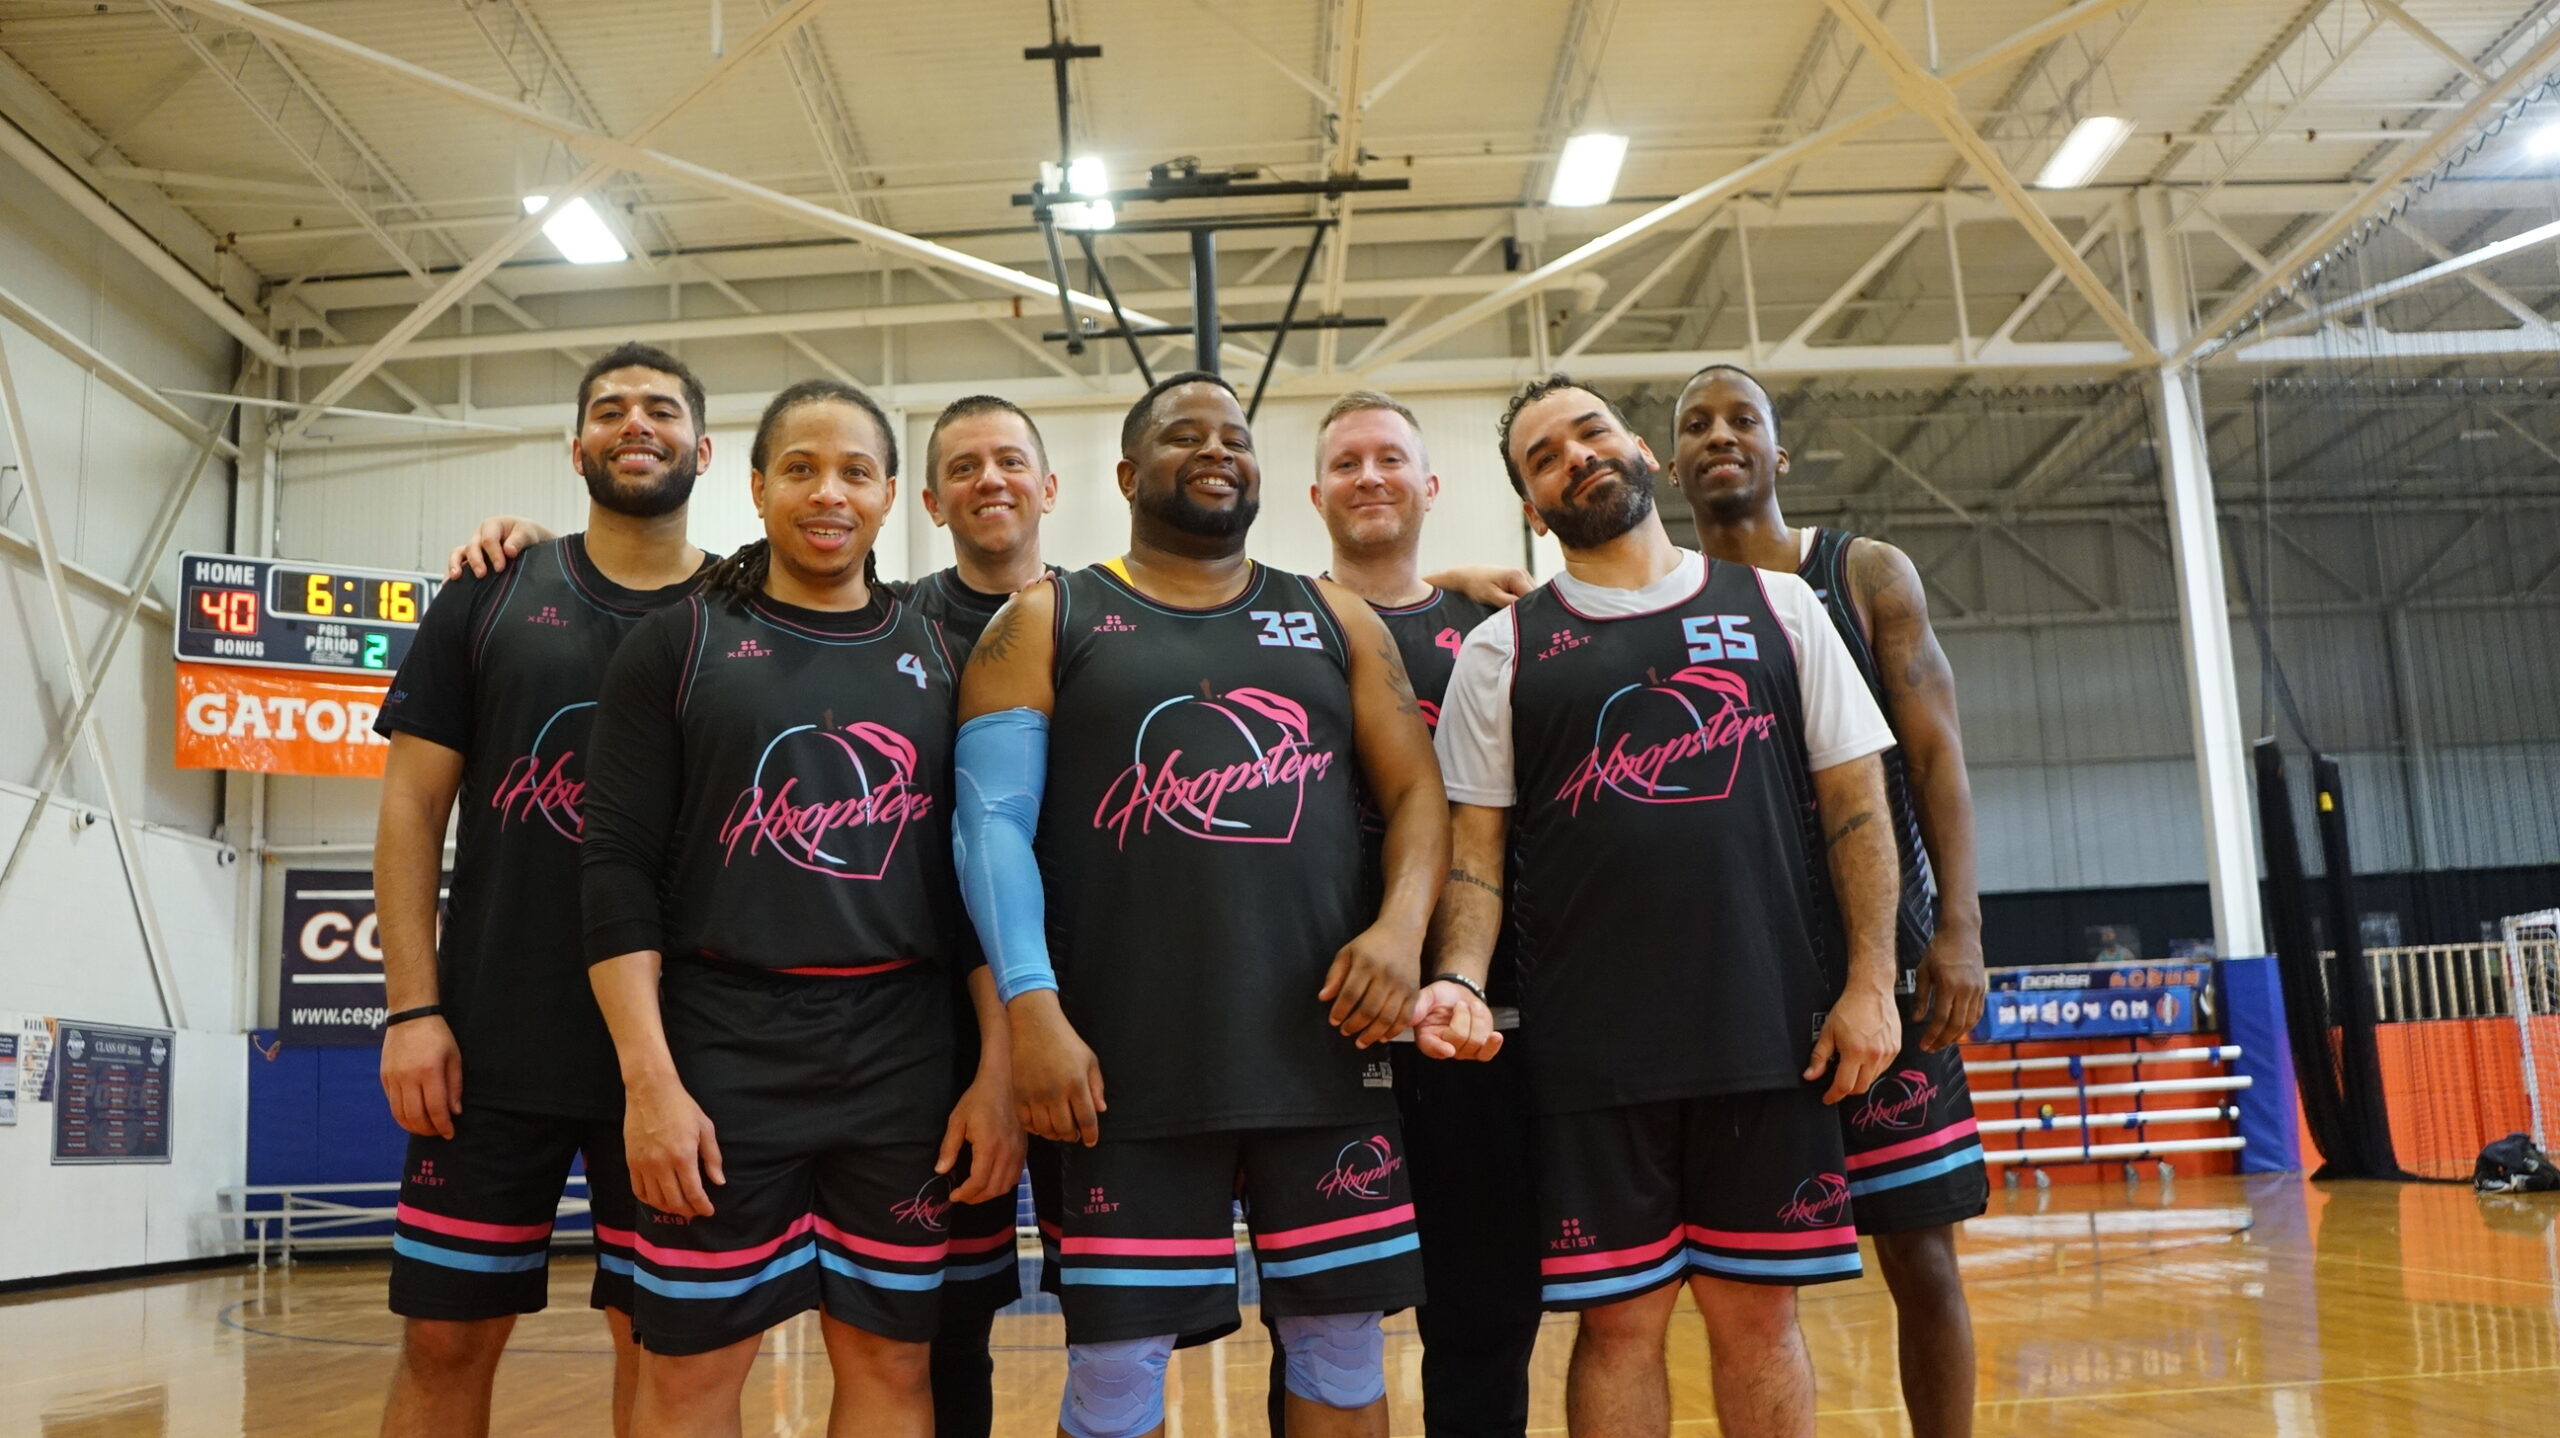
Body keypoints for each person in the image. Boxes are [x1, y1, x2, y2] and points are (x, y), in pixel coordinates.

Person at [951, 371, 1485, 1438]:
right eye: (1181, 435)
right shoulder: (1049, 615)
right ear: (1125, 474)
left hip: (1322, 1046)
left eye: (1234, 437)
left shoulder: (1332, 614)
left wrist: (1396, 931)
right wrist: (1031, 1004)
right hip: (1123, 1060)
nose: (1213, 451)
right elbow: (988, 827)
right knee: (1114, 1372)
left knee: (1340, 1351)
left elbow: (1421, 795)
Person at [1430, 375, 1903, 1438]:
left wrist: (1871, 982)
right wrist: (1459, 976)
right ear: (1530, 504)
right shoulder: (1500, 653)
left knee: (1758, 1320)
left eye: (1590, 433)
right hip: (1592, 1058)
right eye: (1543, 455)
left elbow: (1857, 808)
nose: (1575, 457)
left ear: (1639, 449)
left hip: (1767, 1033)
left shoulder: (1779, 607)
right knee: (1618, 1328)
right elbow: (1475, 859)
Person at [579, 379, 1019, 1437]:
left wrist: (996, 1073)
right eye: (803, 469)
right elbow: (614, 871)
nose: (829, 493)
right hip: (723, 1047)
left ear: (889, 496)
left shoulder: (942, 655)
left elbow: (977, 890)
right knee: (687, 1371)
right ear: (758, 487)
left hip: (902, 1054)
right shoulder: (676, 645)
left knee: (891, 1368)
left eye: (855, 471)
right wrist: (649, 1086)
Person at [370, 342, 715, 1438]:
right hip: (491, 1041)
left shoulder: (752, 608)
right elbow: (411, 812)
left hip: (684, 1055)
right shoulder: (495, 589)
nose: (635, 424)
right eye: (609, 410)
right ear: (577, 449)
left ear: (704, 450)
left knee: (664, 1347)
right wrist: (413, 1011)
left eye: (660, 409)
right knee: (444, 1336)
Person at [1671, 364, 1989, 1438]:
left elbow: (1938, 757)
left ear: (1777, 451)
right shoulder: (1662, 593)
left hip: (1884, 955)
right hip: (1738, 974)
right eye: (1696, 425)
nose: (1720, 435)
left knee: (1920, 1247)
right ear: (1671, 465)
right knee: (1750, 1279)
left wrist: (1958, 929)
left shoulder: (1863, 573)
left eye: (1741, 419)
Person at [1258, 389, 1540, 1438]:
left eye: (1390, 458)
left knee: (1484, 1307)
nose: (1368, 475)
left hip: (1477, 1016)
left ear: (1430, 485)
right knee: (1319, 1318)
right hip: (1325, 1016)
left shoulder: (1496, 627)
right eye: (1345, 461)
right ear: (1316, 492)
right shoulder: (1275, 621)